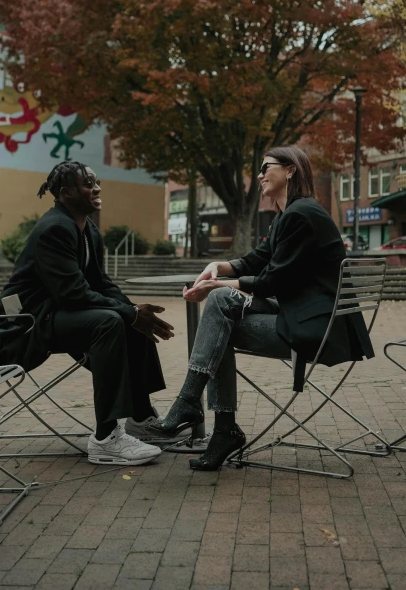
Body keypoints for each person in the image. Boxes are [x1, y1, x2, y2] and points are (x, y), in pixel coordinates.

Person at [155, 146, 374, 471]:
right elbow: (255, 260)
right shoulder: (292, 215)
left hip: (319, 331)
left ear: (290, 170)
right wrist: (219, 266)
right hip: (310, 317)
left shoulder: (301, 216)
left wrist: (216, 286)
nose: (259, 175)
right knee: (220, 314)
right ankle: (209, 419)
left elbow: (272, 281)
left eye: (265, 167)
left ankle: (206, 414)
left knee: (219, 319)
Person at [0, 161, 175, 466]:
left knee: (130, 322)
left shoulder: (87, 228)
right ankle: (105, 439)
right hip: (21, 323)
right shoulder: (54, 229)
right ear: (66, 193)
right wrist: (127, 313)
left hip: (53, 311)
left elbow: (100, 283)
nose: (97, 188)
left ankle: (141, 420)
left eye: (96, 181)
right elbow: (73, 294)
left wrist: (135, 312)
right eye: (87, 184)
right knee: (109, 322)